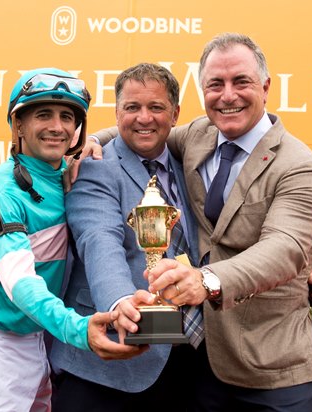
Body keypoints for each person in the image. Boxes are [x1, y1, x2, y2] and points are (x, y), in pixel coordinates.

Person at [91, 33, 312, 411]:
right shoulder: (200, 135)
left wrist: (207, 280)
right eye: (215, 84)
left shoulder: (301, 166)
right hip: (200, 369)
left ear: (266, 87)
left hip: (272, 370)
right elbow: (145, 130)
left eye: (241, 82)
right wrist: (91, 140)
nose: (228, 95)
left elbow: (285, 247)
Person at [0, 68, 145, 412]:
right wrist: (78, 329)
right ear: (19, 125)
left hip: (41, 341)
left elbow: (137, 130)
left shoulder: (67, 175)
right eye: (43, 114)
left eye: (67, 117)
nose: (57, 126)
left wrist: (97, 139)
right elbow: (22, 283)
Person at [49, 63, 200, 411]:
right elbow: (98, 238)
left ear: (175, 114)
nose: (143, 118)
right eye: (132, 107)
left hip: (185, 366)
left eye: (156, 107)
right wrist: (120, 303)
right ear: (117, 113)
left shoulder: (190, 164)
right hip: (102, 368)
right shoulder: (95, 166)